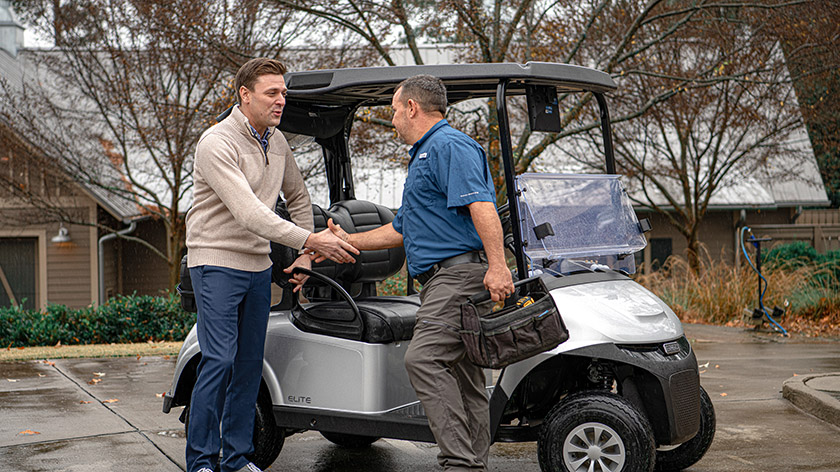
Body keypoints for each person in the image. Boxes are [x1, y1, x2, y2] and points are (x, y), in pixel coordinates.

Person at [323, 75, 514, 471]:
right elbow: (400, 228)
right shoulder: (426, 154)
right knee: (464, 376)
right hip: (446, 281)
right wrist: (350, 240)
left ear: (412, 107)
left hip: (456, 279)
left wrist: (499, 267)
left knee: (423, 359)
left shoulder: (448, 146)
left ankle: (459, 462)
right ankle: (472, 463)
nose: (392, 119)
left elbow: (482, 208)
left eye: (394, 110)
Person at [184, 57, 359, 472]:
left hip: (258, 267)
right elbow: (249, 214)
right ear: (245, 95)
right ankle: (202, 462)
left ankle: (238, 460)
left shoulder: (276, 140)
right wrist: (311, 238)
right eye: (272, 93)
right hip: (216, 263)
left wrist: (304, 254)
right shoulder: (216, 142)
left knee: (248, 366)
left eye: (284, 93)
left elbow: (298, 197)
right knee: (220, 360)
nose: (282, 100)